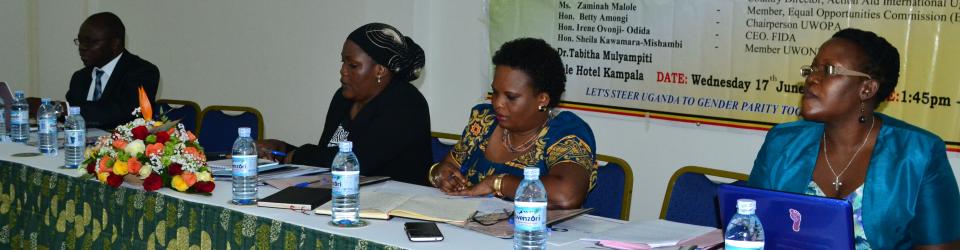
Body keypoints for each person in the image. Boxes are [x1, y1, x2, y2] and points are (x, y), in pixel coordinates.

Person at [749, 28, 960, 249]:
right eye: (812, 69)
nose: (812, 78)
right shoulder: (781, 143)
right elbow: (752, 229)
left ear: (867, 89)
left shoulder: (919, 154)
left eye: (828, 70)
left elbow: (940, 246)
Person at [430, 38, 597, 209]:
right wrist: (440, 174)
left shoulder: (565, 132)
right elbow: (449, 165)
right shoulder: (483, 121)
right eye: (495, 92)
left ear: (542, 99)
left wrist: (496, 183)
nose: (497, 103)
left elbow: (566, 196)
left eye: (511, 97)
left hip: (535, 234)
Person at [258, 23, 432, 186]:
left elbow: (358, 162)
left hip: (395, 207)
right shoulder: (343, 99)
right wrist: (280, 149)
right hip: (345, 194)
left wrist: (297, 155)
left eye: (353, 65)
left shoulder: (406, 104)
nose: (343, 70)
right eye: (343, 62)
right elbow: (327, 155)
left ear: (380, 70)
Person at [66, 12, 159, 130]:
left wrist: (69, 111)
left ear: (115, 44)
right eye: (80, 41)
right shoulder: (79, 77)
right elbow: (68, 119)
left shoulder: (143, 71)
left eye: (90, 42)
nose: (82, 47)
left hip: (120, 146)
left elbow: (124, 113)